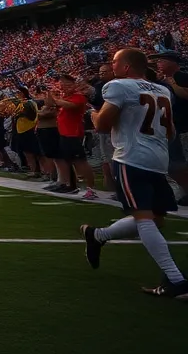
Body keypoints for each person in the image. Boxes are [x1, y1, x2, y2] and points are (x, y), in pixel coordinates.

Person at [80, 48, 187, 298]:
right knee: (154, 219)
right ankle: (98, 235)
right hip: (158, 158)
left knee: (145, 219)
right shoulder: (161, 90)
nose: (112, 66)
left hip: (131, 157)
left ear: (127, 66)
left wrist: (93, 113)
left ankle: (175, 279)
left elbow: (102, 125)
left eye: (115, 62)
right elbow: (170, 130)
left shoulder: (118, 86)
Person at [49, 73, 96, 198]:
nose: (64, 87)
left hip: (73, 134)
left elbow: (69, 106)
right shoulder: (67, 97)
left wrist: (54, 98)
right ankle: (71, 185)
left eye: (67, 84)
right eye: (62, 84)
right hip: (64, 133)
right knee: (68, 161)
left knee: (80, 162)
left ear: (74, 85)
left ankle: (91, 189)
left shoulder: (78, 97)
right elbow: (52, 106)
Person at [149, 51, 188, 205]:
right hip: (173, 127)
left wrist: (171, 83)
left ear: (173, 62)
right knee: (175, 164)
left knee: (182, 163)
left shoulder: (181, 76)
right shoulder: (162, 81)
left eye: (162, 60)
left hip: (185, 126)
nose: (158, 63)